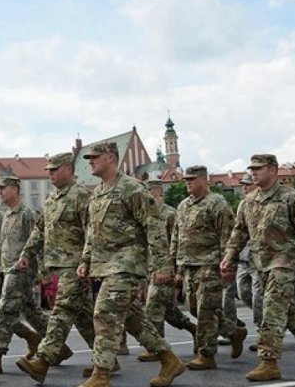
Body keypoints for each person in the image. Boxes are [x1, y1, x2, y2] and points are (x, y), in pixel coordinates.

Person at [76, 142, 186, 387]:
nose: (90, 161)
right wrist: (86, 260)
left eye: (95, 157)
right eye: (89, 158)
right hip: (105, 266)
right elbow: (92, 233)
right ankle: (169, 359)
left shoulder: (132, 188)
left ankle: (101, 375)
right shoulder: (98, 192)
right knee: (134, 319)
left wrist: (163, 266)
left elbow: (154, 226)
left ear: (111, 158)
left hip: (127, 264)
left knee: (103, 313)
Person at [221, 154, 295, 381]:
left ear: (273, 170)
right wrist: (229, 257)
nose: (253, 172)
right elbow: (238, 233)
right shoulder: (248, 202)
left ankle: (269, 361)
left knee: (271, 309)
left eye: (258, 168)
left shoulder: (291, 198)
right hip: (260, 264)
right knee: (287, 312)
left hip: (284, 264)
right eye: (252, 168)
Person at [16, 152, 95, 383]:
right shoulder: (52, 199)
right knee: (82, 316)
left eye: (54, 169)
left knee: (61, 311)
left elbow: (92, 231)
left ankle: (43, 360)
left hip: (76, 265)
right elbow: (40, 230)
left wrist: (86, 261)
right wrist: (27, 253)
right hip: (58, 266)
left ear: (68, 169)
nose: (49, 173)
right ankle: (105, 359)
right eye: (48, 170)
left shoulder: (81, 195)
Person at [171, 166, 242, 370]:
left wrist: (227, 265)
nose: (188, 182)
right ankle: (233, 331)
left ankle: (207, 354)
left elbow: (228, 236)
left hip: (210, 264)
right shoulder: (184, 205)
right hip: (189, 265)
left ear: (204, 180)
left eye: (192, 179)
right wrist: (176, 266)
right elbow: (177, 236)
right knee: (193, 307)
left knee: (205, 310)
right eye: (186, 179)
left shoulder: (216, 203)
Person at [0, 176, 48, 376]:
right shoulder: (8, 215)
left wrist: (43, 271)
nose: (0, 192)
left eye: (4, 188)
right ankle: (57, 347)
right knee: (31, 312)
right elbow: (1, 246)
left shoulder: (27, 214)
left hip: (21, 271)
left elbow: (39, 241)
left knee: (4, 312)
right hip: (7, 269)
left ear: (15, 190)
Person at [137, 180, 199, 362]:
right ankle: (194, 329)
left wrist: (178, 271)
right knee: (169, 312)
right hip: (150, 269)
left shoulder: (170, 214)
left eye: (147, 191)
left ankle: (157, 348)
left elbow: (180, 243)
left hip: (167, 269)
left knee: (153, 308)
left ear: (157, 192)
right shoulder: (144, 215)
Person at [234, 173, 263, 352]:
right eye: (243, 185)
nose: (244, 187)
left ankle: (263, 333)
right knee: (243, 293)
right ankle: (274, 318)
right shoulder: (243, 205)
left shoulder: (263, 204)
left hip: (260, 260)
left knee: (259, 296)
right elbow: (238, 232)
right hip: (244, 259)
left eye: (247, 184)